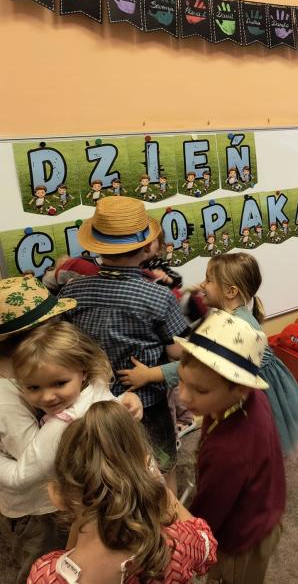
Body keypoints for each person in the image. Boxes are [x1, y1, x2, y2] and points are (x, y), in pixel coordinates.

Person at [118, 253, 298, 459]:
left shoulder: (233, 325)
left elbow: (197, 365)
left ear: (230, 291)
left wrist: (149, 374)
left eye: (209, 280)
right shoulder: (228, 314)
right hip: (246, 383)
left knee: (254, 439)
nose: (203, 284)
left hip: (254, 389)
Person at [57, 196, 190, 486]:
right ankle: (169, 512)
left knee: (109, 471)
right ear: (147, 248)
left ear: (96, 245)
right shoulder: (159, 296)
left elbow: (63, 344)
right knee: (162, 466)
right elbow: (178, 351)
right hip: (147, 404)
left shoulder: (72, 291)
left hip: (92, 404)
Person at [0, 319, 142, 584]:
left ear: (82, 371)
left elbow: (21, 477)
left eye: (59, 383)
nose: (47, 397)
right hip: (105, 499)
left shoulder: (62, 423)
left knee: (44, 567)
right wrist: (127, 400)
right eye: (33, 387)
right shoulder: (95, 386)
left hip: (63, 507)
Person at [26, 401, 217, 583]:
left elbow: (69, 552)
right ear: (145, 478)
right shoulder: (176, 550)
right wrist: (163, 493)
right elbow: (207, 543)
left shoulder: (44, 574)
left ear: (56, 495)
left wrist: (81, 510)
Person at [176, 309, 285, 584]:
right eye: (181, 380)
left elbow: (208, 514)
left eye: (200, 390)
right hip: (264, 508)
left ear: (240, 388)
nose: (183, 396)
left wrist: (188, 539)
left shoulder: (228, 452)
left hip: (241, 541)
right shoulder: (244, 398)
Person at [0, 277, 77, 584]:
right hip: (38, 508)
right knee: (41, 568)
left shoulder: (25, 376)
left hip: (51, 498)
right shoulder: (6, 395)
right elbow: (34, 459)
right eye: (52, 324)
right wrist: (70, 415)